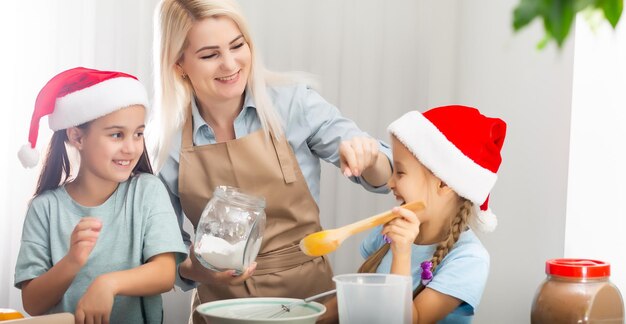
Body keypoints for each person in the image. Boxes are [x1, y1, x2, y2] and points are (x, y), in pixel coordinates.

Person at [152, 0, 393, 320]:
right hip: (222, 312)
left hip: (311, 305)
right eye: (210, 55)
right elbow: (163, 252)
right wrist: (197, 270)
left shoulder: (294, 104)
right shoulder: (165, 141)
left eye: (237, 46)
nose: (230, 64)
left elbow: (384, 176)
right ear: (178, 64)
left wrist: (369, 156)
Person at [14, 67, 188, 324]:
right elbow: (33, 303)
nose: (131, 148)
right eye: (117, 134)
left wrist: (108, 284)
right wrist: (72, 261)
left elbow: (164, 274)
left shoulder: (147, 191)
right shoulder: (44, 209)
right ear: (76, 136)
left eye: (138, 134)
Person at [321, 105, 507, 323]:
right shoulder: (387, 230)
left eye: (400, 172)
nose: (390, 183)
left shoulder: (469, 259)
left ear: (443, 183)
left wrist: (401, 252)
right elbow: (352, 303)